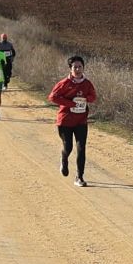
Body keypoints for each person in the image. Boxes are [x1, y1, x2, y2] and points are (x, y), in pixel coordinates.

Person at [48, 54, 96, 186]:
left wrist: (87, 99)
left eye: (80, 67)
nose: (78, 69)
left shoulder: (87, 83)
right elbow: (52, 97)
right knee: (68, 147)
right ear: (70, 69)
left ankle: (79, 177)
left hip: (81, 121)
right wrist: (70, 103)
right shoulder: (64, 83)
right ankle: (64, 159)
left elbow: (93, 96)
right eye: (75, 67)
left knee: (81, 148)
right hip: (65, 121)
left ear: (83, 68)